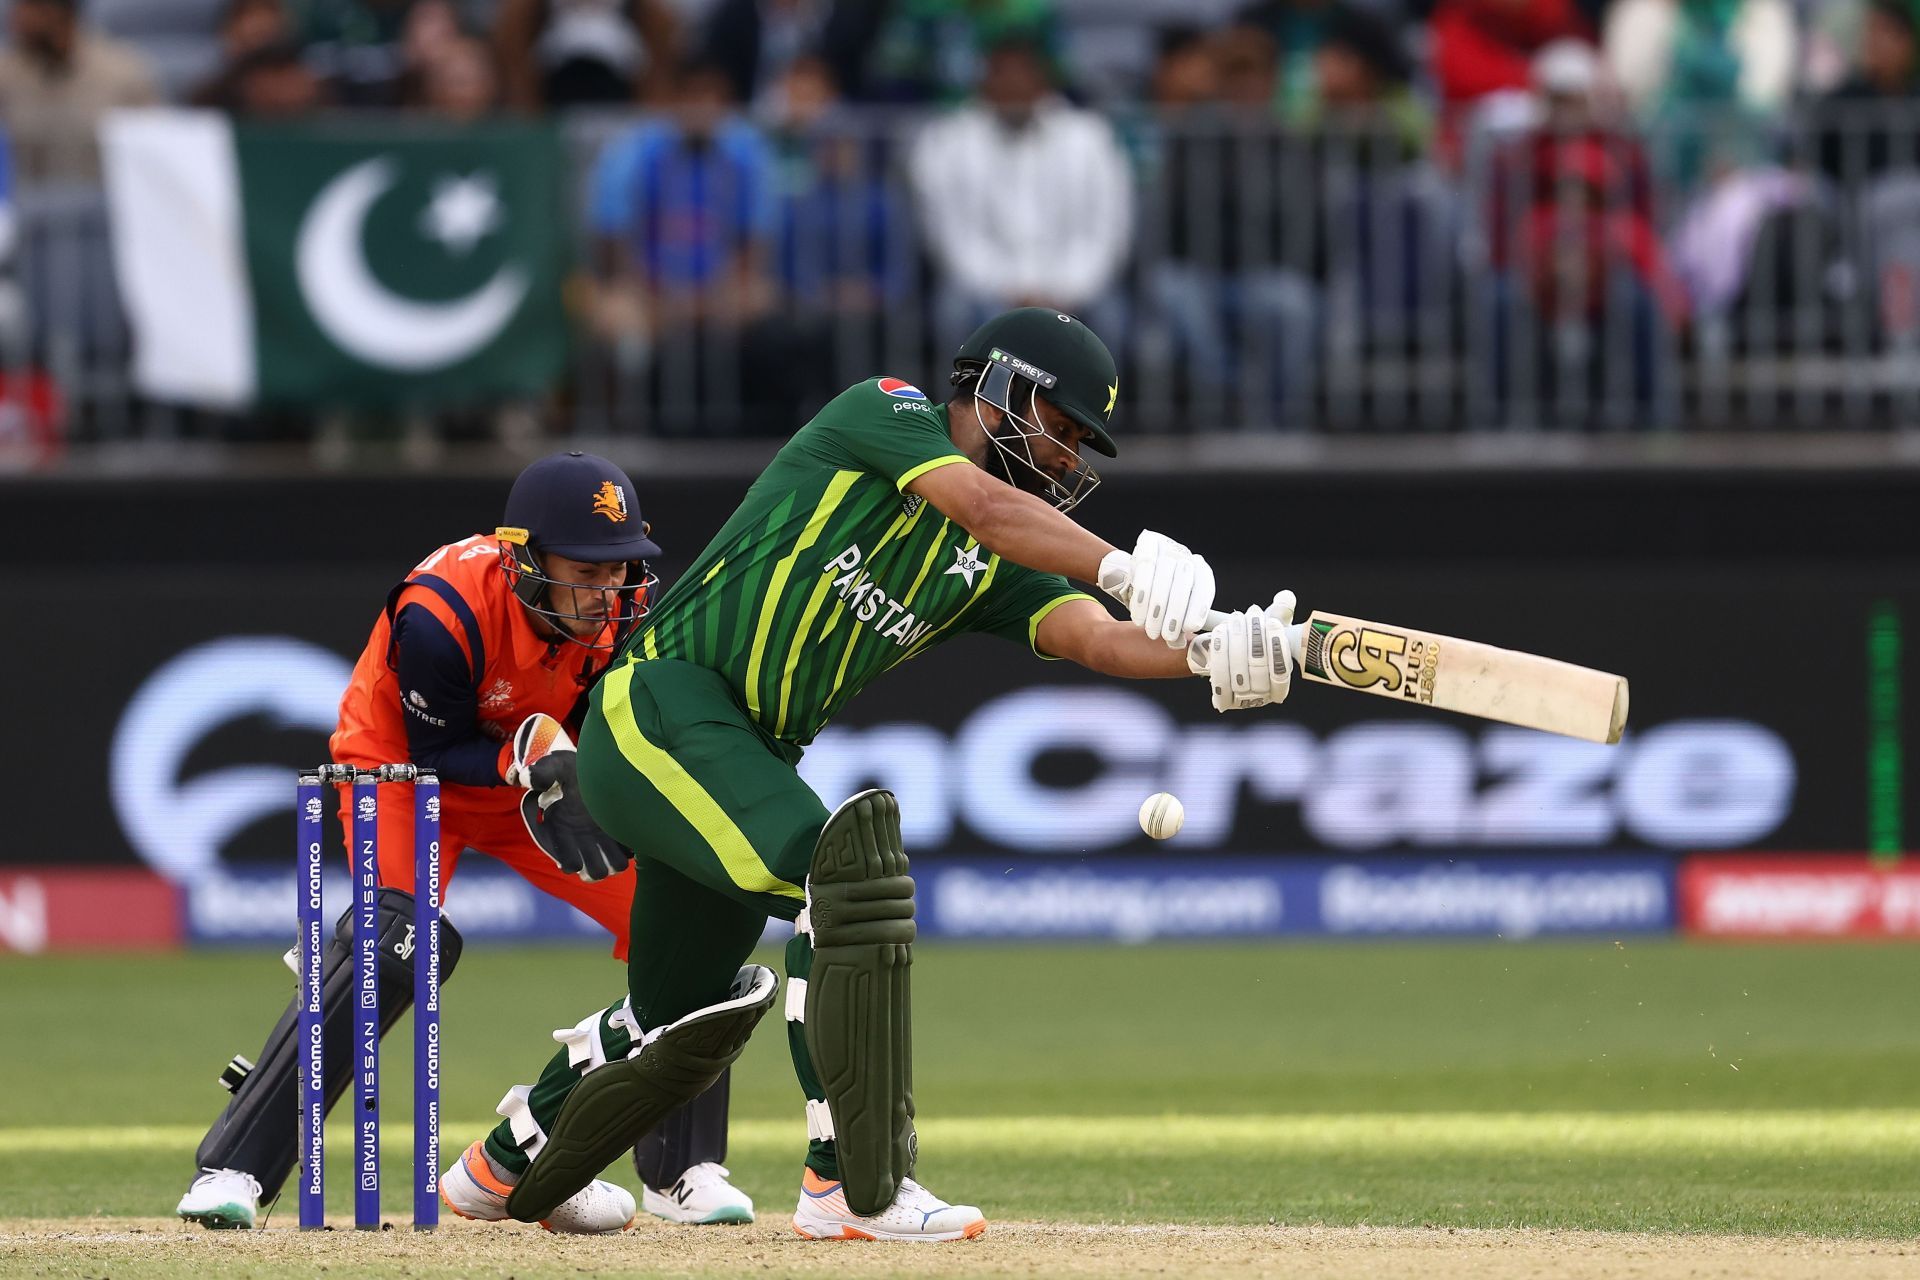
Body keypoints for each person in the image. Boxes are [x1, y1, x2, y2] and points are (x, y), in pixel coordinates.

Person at [445, 308, 1296, 1242]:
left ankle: (497, 1168)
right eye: (1060, 427)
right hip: (659, 706)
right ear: (999, 386)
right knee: (844, 880)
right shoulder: (887, 413)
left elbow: (1092, 635)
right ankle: (851, 1182)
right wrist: (1125, 566)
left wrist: (1221, 652)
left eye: (1081, 447)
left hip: (746, 752)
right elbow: (983, 504)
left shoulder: (990, 560)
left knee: (672, 1011)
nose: (1064, 460)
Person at [176, 452, 752, 1232]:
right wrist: (526, 755)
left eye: (620, 569)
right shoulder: (443, 611)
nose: (608, 591)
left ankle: (671, 1168)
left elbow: (599, 728)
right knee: (392, 941)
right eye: (586, 569)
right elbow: (436, 747)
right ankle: (235, 1167)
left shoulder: (619, 619)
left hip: (530, 781)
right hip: (405, 773)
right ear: (524, 559)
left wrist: (584, 775)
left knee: (689, 919)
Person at [0, 0, 160, 183]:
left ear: (59, 13)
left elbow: (152, 152)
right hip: (26, 200)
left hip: (102, 200)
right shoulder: (5, 74)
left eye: (29, 8)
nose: (16, 19)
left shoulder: (124, 73)